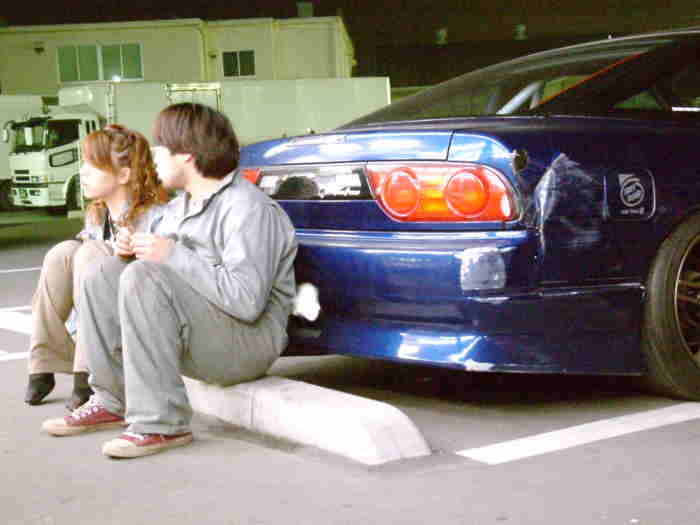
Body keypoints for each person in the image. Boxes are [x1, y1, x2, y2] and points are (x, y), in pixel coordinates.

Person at [42, 103, 298, 459]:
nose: (154, 157)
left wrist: (171, 255)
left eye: (162, 148)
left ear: (187, 155)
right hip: (206, 330)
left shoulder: (248, 209)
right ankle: (112, 401)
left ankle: (161, 423)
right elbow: (157, 273)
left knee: (144, 275)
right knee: (102, 273)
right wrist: (130, 250)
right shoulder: (180, 207)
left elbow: (246, 301)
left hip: (246, 344)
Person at [26, 124, 169, 410]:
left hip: (141, 319)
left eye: (93, 165)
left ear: (124, 175)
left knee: (90, 253)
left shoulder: (157, 216)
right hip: (99, 318)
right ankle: (43, 363)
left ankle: (87, 373)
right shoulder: (97, 216)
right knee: (61, 253)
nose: (82, 172)